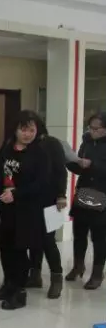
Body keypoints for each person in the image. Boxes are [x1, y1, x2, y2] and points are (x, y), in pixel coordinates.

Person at [0, 110, 51, 310]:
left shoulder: (40, 153)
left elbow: (41, 183)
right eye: (23, 130)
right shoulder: (7, 148)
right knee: (5, 249)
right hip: (5, 209)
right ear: (15, 130)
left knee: (19, 252)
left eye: (31, 130)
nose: (27, 134)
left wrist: (16, 193)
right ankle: (8, 285)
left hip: (26, 211)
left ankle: (19, 292)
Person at [25, 123, 67, 298]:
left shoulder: (52, 143)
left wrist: (61, 195)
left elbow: (61, 171)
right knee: (34, 238)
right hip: (30, 199)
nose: (27, 133)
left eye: (30, 129)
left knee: (48, 240)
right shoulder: (25, 145)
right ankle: (35, 275)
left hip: (50, 199)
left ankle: (57, 278)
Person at [66, 112, 106, 290]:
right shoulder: (87, 142)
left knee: (99, 236)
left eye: (96, 129)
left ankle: (97, 273)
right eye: (90, 128)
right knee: (79, 232)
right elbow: (80, 169)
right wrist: (72, 162)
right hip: (84, 191)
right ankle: (78, 266)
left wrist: (93, 165)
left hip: (101, 193)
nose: (92, 131)